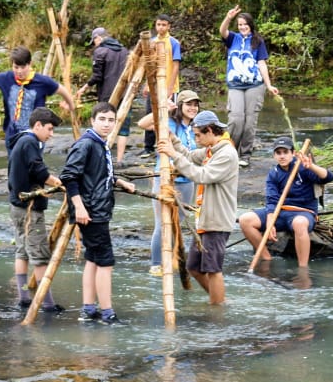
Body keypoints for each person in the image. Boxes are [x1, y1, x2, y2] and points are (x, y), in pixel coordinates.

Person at [60, 102, 135, 324]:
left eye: (111, 120)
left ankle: (89, 308)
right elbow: (69, 176)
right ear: (92, 121)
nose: (106, 124)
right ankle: (107, 312)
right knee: (105, 261)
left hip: (97, 208)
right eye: (102, 119)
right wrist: (80, 207)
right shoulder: (86, 144)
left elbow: (97, 173)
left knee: (92, 258)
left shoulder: (100, 144)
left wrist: (120, 181)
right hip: (91, 211)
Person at [156, 110, 239, 305]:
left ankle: (217, 308)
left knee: (213, 269)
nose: (196, 139)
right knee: (194, 266)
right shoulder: (212, 149)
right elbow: (191, 156)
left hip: (217, 219)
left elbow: (201, 175)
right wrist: (173, 140)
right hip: (205, 219)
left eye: (198, 135)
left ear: (210, 130)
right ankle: (219, 300)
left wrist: (173, 155)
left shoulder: (226, 153)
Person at [237, 138, 333, 267]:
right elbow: (272, 200)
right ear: (274, 155)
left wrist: (311, 166)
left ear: (293, 153)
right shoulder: (274, 173)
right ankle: (266, 257)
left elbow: (328, 177)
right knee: (245, 219)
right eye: (278, 153)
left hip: (303, 212)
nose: (282, 156)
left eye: (285, 152)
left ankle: (303, 267)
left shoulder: (303, 167)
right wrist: (270, 222)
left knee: (299, 223)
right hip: (280, 212)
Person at [6, 107, 65, 313]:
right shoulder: (30, 142)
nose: (51, 134)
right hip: (30, 209)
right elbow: (37, 170)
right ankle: (47, 303)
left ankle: (23, 297)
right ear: (37, 125)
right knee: (40, 255)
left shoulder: (20, 140)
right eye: (49, 129)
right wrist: (56, 183)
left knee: (22, 252)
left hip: (17, 205)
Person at [0, 46, 75, 150]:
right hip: (12, 136)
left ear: (29, 64)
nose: (19, 71)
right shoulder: (7, 78)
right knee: (16, 169)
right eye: (16, 67)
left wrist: (70, 105)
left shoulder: (42, 82)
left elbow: (62, 89)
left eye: (23, 67)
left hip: (35, 136)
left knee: (32, 169)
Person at [136, 89, 200, 275]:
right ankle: (156, 264)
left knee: (177, 225)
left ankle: (172, 259)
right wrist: (163, 108)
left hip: (187, 179)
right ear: (180, 106)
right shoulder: (169, 121)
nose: (192, 108)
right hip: (165, 178)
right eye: (188, 104)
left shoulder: (195, 127)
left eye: (195, 104)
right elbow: (143, 123)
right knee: (162, 223)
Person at [219, 5, 277, 167]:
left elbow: (261, 63)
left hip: (255, 85)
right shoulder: (233, 38)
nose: (243, 27)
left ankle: (245, 155)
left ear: (250, 25)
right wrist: (228, 17)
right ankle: (229, 151)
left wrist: (269, 85)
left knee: (250, 121)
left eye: (245, 24)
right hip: (235, 85)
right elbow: (222, 31)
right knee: (236, 119)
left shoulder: (258, 41)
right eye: (240, 25)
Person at [78, 28, 131, 164]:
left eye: (94, 41)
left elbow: (97, 76)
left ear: (98, 38)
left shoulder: (100, 51)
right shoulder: (125, 51)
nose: (94, 44)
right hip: (125, 95)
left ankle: (103, 158)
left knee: (104, 124)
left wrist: (84, 88)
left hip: (107, 95)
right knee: (123, 128)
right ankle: (119, 160)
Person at [140, 14, 184, 157]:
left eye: (164, 25)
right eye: (159, 24)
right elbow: (150, 66)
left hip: (169, 85)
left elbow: (176, 66)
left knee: (170, 115)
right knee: (150, 113)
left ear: (169, 26)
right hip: (154, 85)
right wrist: (147, 84)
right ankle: (148, 147)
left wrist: (171, 87)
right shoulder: (152, 42)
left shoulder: (174, 43)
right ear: (155, 25)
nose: (161, 27)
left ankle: (171, 144)